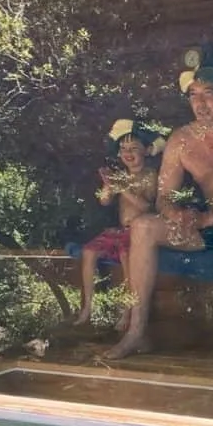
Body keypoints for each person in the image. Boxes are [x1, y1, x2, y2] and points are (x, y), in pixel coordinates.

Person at [105, 48, 213, 371]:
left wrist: (210, 218)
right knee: (142, 226)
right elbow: (164, 197)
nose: (200, 103)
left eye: (208, 92)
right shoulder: (181, 140)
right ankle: (137, 331)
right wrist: (177, 215)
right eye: (194, 94)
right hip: (208, 225)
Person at [74, 119, 164, 327]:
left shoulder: (149, 176)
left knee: (126, 257)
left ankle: (127, 312)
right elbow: (104, 201)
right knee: (88, 252)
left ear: (147, 150)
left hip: (138, 232)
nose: (128, 153)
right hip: (119, 229)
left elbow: (146, 207)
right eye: (123, 148)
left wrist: (122, 187)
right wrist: (108, 185)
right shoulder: (121, 176)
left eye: (134, 148)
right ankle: (87, 307)